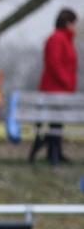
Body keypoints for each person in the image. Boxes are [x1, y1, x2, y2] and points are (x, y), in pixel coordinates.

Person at [30, 8, 78, 165]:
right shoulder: (57, 39)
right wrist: (67, 82)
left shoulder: (65, 40)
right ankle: (52, 151)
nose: (75, 27)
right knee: (55, 122)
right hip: (54, 89)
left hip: (62, 90)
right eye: (73, 23)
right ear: (67, 23)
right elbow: (54, 64)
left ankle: (54, 151)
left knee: (57, 123)